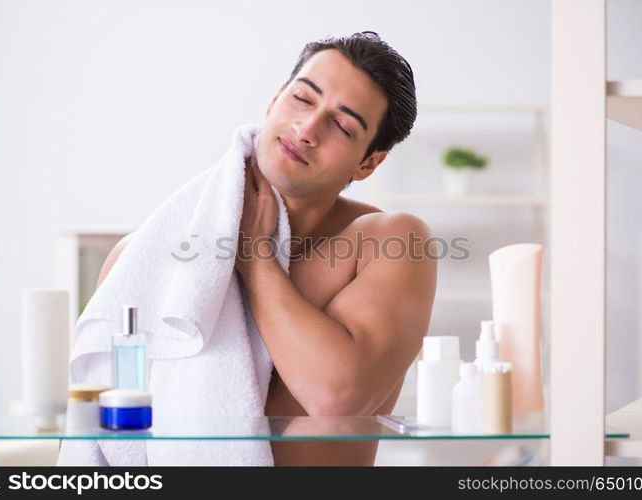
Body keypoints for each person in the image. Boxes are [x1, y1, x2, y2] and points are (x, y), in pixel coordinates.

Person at [97, 31, 437, 466]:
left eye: (342, 125)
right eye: (303, 98)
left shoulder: (388, 242)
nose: (308, 128)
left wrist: (257, 259)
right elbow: (104, 434)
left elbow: (338, 397)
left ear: (369, 162)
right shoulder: (143, 258)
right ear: (276, 98)